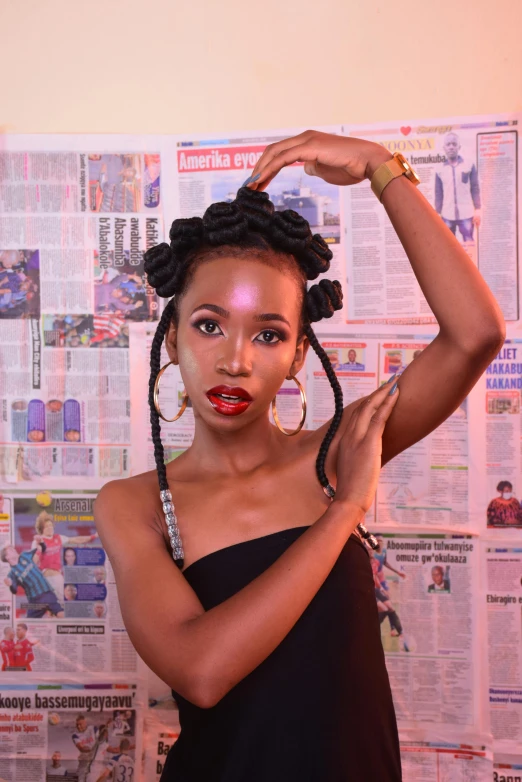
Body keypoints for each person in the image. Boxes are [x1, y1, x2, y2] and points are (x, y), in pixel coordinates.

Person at [94, 130, 504, 781]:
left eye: (269, 334)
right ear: (171, 339)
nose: (234, 359)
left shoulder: (340, 449)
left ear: (297, 357)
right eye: (208, 324)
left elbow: (476, 333)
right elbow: (201, 672)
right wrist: (344, 511)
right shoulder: (137, 504)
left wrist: (379, 167)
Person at [32, 511, 96, 599]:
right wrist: (39, 550)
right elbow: (33, 562)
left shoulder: (58, 538)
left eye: (51, 525)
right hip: (45, 579)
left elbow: (76, 540)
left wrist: (92, 537)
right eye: (47, 526)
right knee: (50, 610)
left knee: (61, 609)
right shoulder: (37, 541)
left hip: (58, 578)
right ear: (41, 529)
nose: (50, 528)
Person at [435, 132, 481, 243]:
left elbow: (475, 188)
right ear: (444, 148)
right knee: (448, 245)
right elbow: (438, 193)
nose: (451, 147)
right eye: (448, 144)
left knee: (469, 243)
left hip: (466, 214)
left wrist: (478, 209)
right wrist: (437, 213)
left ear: (459, 147)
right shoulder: (439, 169)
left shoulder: (469, 165)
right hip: (447, 214)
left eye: (454, 144)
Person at [1, 543, 64, 618]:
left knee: (59, 612)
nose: (14, 549)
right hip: (34, 601)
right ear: (7, 557)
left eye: (13, 548)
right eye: (11, 550)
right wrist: (10, 584)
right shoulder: (12, 574)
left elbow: (42, 548)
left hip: (46, 592)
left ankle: (71, 625)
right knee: (28, 624)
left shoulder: (25, 555)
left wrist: (41, 543)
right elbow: (14, 590)